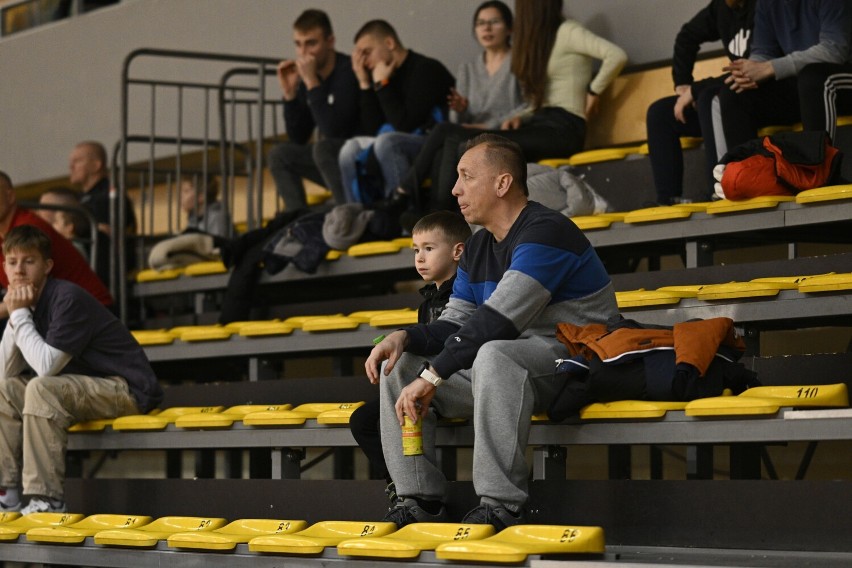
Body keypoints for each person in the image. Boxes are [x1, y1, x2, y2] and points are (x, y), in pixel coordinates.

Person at [365, 134, 619, 530]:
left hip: (572, 358)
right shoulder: (478, 245)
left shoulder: (546, 231)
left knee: (494, 353)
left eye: (466, 176)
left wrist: (434, 376)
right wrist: (407, 337)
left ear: (502, 184)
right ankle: (419, 499)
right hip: (506, 366)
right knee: (400, 365)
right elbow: (456, 323)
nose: (454, 188)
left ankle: (501, 505)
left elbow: (499, 319)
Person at [0, 225, 162, 515]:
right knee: (5, 389)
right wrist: (17, 316)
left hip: (123, 388)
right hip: (80, 387)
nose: (19, 271)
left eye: (29, 261)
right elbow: (5, 373)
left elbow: (46, 368)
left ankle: (48, 500)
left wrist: (18, 314)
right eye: (12, 262)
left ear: (47, 266)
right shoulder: (27, 306)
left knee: (40, 387)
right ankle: (7, 494)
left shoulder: (67, 298)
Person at [423, 0, 628, 214]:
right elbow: (545, 98)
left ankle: (439, 216)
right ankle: (439, 216)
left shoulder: (568, 31)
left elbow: (616, 55)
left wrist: (594, 91)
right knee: (455, 141)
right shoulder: (544, 40)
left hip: (564, 128)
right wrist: (522, 115)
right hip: (541, 121)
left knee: (461, 141)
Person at [350, 210, 470, 499]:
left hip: (455, 382)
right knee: (363, 420)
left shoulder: (467, 293)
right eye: (416, 250)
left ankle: (420, 493)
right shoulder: (428, 299)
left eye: (429, 249)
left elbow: (456, 341)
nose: (419, 258)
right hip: (425, 383)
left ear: (458, 251)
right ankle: (398, 482)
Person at [397, 0, 525, 216]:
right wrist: (460, 108)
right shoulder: (468, 68)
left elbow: (528, 105)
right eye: (481, 23)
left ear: (509, 28)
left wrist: (487, 124)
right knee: (446, 143)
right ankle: (440, 214)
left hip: (503, 132)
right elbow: (458, 118)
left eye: (494, 22)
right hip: (470, 134)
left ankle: (418, 200)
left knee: (444, 132)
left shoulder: (520, 62)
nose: (486, 28)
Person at [646, 0, 756, 205]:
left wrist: (696, 90)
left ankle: (718, 192)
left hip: (756, 96)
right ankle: (669, 200)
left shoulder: (765, 8)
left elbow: (755, 69)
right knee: (660, 114)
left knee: (709, 98)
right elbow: (686, 36)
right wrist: (682, 85)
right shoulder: (721, 8)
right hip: (730, 96)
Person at [338, 19, 455, 204]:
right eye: (359, 56)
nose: (364, 62)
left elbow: (406, 124)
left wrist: (383, 86)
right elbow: (372, 129)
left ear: (390, 43)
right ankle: (357, 219)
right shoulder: (381, 75)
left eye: (367, 53)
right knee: (349, 149)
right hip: (398, 138)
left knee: (388, 142)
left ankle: (402, 214)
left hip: (433, 140)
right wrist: (365, 84)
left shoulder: (426, 69)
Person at [718, 0, 852, 152]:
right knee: (735, 91)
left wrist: (769, 68)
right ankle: (747, 171)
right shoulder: (766, 4)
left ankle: (817, 170)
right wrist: (749, 70)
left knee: (813, 78)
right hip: (805, 88)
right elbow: (765, 51)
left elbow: (834, 51)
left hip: (840, 78)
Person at [267, 9, 363, 211]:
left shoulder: (348, 71)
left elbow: (335, 131)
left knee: (323, 147)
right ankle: (298, 223)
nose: (304, 53)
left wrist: (311, 82)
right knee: (279, 154)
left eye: (311, 43)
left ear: (330, 41)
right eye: (298, 44)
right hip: (330, 161)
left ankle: (348, 217)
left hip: (360, 157)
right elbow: (298, 137)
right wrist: (290, 94)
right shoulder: (306, 79)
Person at [0, 171, 111, 317]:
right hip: (54, 311)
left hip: (90, 311)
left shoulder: (28, 227)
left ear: (10, 196)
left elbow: (25, 296)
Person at [68, 140, 137, 283]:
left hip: (108, 274)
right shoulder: (79, 199)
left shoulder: (111, 197)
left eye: (78, 161)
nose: (71, 166)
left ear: (96, 165)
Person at [179, 174, 232, 238]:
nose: (181, 196)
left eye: (186, 191)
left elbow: (218, 243)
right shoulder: (193, 217)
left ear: (201, 196)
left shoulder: (217, 217)